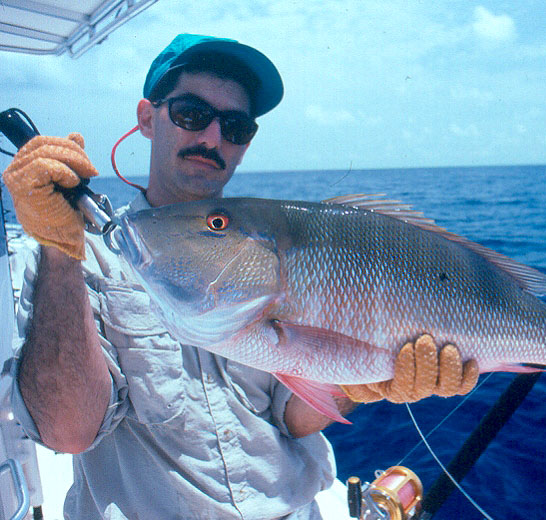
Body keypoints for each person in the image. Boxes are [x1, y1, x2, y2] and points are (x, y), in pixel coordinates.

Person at [2, 34, 478, 519]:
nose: (212, 138)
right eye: (191, 113)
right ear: (147, 118)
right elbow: (67, 431)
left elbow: (292, 417)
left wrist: (357, 382)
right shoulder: (78, 259)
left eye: (235, 126)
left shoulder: (271, 253)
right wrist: (59, 249)